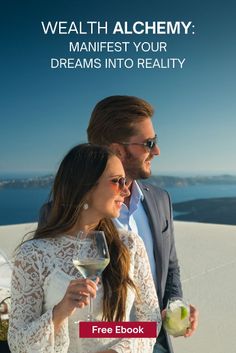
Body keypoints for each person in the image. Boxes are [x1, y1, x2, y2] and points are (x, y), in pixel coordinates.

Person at [8, 144, 161, 353]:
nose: (126, 191)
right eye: (117, 181)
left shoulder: (130, 245)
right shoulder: (34, 255)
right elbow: (18, 344)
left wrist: (116, 351)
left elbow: (151, 323)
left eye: (125, 182)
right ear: (86, 187)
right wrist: (60, 311)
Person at [86, 96, 199, 353]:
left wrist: (176, 307)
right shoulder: (66, 212)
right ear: (117, 150)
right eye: (149, 143)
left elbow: (170, 268)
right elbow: (59, 312)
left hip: (156, 344)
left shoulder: (161, 200)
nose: (157, 151)